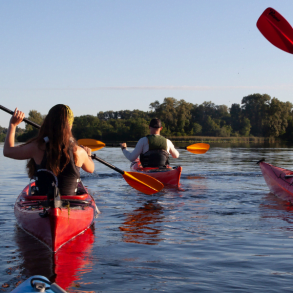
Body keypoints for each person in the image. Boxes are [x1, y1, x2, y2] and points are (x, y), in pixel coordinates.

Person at [3, 104, 94, 195]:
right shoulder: (79, 152)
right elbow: (91, 169)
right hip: (71, 204)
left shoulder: (37, 147)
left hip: (42, 204)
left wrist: (13, 124)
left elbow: (8, 151)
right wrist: (88, 155)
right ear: (70, 126)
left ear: (48, 122)